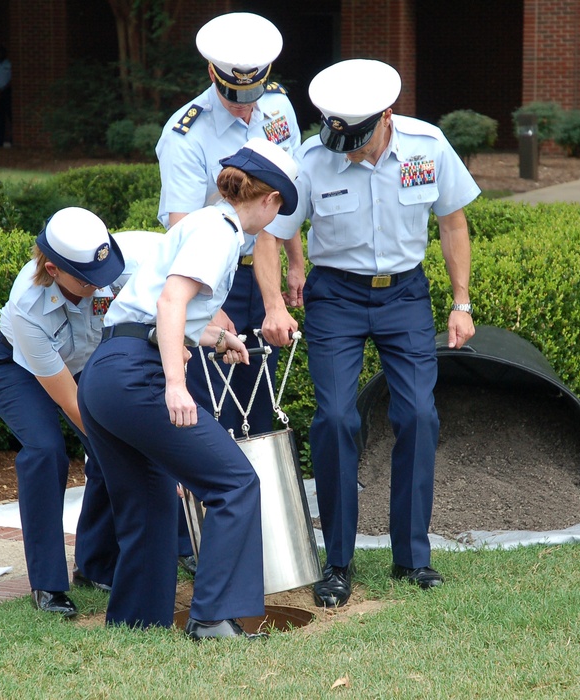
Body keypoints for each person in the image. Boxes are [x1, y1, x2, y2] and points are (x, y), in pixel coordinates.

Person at [254, 59, 480, 608]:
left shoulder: (428, 146)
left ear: (387, 117)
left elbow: (452, 222)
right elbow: (267, 233)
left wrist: (461, 302)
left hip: (405, 293)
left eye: (355, 137)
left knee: (419, 416)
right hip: (337, 296)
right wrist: (272, 305)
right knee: (334, 418)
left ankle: (412, 558)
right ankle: (337, 562)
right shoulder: (313, 158)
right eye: (338, 136)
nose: (345, 149)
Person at [77, 137, 298, 639]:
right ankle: (213, 618)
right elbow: (171, 302)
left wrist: (218, 337)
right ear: (268, 200)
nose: (276, 223)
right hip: (139, 376)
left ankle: (135, 625)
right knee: (235, 483)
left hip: (107, 374)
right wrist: (177, 385)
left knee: (149, 504)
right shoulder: (220, 233)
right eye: (280, 210)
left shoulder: (201, 221)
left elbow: (162, 312)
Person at [156, 12, 304, 438]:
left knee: (259, 400)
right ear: (211, 72)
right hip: (212, 276)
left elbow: (283, 199)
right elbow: (182, 232)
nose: (243, 103)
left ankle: (255, 500)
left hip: (265, 268)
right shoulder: (184, 135)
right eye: (233, 93)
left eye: (250, 92)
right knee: (210, 404)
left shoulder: (277, 106)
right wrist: (210, 303)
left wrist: (294, 264)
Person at [0, 207, 127, 618]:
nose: (99, 284)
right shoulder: (27, 305)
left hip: (84, 363)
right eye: (86, 278)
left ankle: (95, 563)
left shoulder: (111, 266)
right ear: (52, 269)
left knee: (113, 451)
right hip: (17, 368)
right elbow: (69, 400)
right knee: (46, 453)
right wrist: (115, 444)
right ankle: (47, 584)